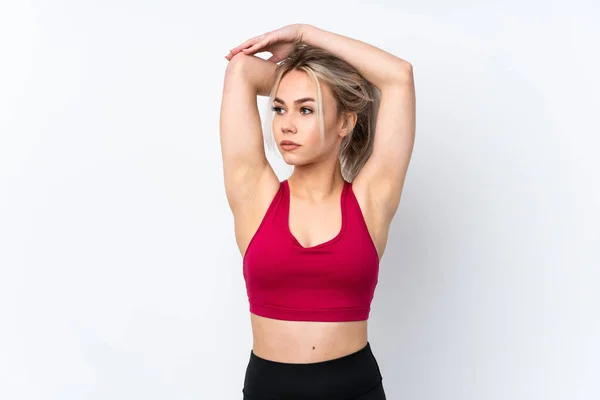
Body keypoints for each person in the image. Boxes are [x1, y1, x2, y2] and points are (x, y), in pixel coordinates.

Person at [221, 23, 415, 400]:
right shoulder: (255, 195)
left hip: (354, 390)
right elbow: (242, 70)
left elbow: (398, 77)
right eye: (279, 108)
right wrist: (307, 76)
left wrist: (304, 35)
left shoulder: (370, 200)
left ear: (345, 122)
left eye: (307, 110)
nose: (286, 125)